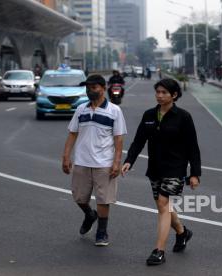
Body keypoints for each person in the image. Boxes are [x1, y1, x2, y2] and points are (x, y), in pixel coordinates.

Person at [121, 78, 201, 266]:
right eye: (157, 92)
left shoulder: (183, 117)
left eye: (164, 92)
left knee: (164, 204)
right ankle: (182, 232)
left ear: (174, 95)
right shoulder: (149, 115)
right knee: (163, 207)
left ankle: (159, 251)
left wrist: (195, 173)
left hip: (176, 168)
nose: (159, 95)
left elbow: (193, 147)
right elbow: (139, 141)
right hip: (155, 168)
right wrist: (129, 161)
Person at [62, 74, 127, 246]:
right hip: (82, 161)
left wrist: (116, 162)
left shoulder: (114, 111)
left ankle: (102, 232)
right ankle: (90, 215)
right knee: (79, 198)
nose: (90, 91)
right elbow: (72, 134)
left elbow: (119, 139)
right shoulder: (81, 109)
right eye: (88, 88)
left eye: (94, 88)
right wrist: (66, 156)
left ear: (103, 88)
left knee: (103, 199)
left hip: (104, 163)